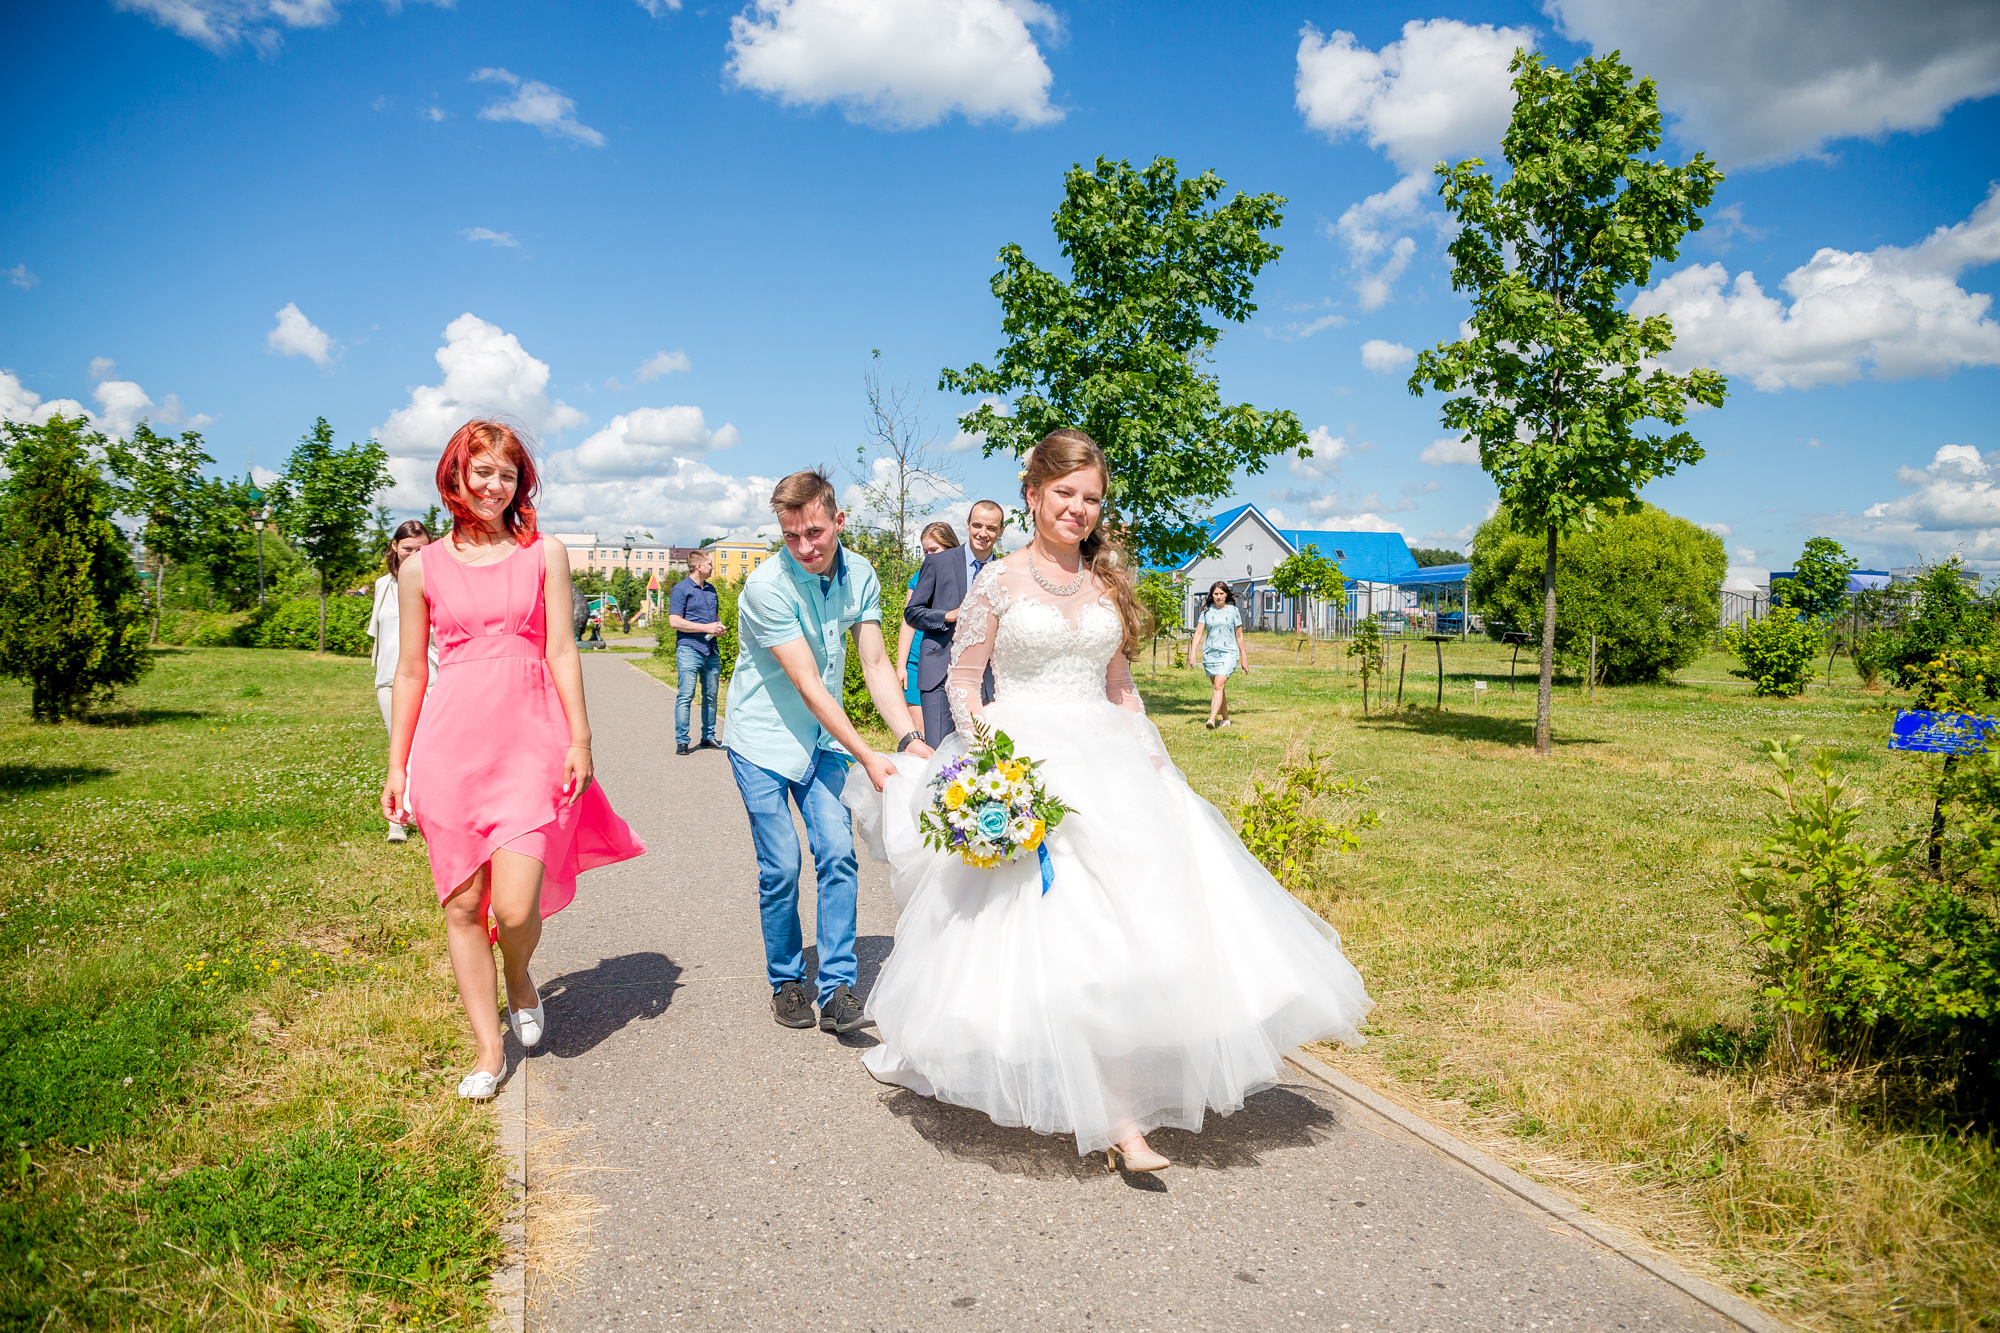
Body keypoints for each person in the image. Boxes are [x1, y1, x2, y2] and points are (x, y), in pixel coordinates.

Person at [844, 429, 1373, 1173]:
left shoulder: (1104, 586)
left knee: (1130, 934)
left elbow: (1119, 683)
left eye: (1091, 498)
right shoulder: (997, 583)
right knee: (1052, 935)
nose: (1079, 510)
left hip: (1110, 763)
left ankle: (1120, 1111)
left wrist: (1154, 759)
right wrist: (995, 761)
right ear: (1033, 494)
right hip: (1022, 758)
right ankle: (1113, 1116)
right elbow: (965, 681)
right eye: (1065, 494)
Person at [381, 418, 646, 1101]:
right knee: (463, 902)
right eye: (482, 471)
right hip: (449, 748)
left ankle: (519, 974)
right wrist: (397, 765)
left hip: (531, 740)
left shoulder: (544, 554)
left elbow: (562, 648)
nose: (494, 484)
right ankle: (487, 1048)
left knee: (516, 902)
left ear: (517, 480)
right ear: (456, 476)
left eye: (506, 473)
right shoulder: (421, 568)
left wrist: (580, 737)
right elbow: (411, 671)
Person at [722, 469, 932, 1035]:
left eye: (814, 532)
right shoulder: (767, 587)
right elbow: (811, 686)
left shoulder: (860, 573)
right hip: (763, 740)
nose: (804, 547)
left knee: (838, 852)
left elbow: (875, 664)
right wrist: (868, 755)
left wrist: (908, 737)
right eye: (791, 536)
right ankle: (787, 981)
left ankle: (837, 986)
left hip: (820, 743)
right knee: (783, 864)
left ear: (838, 521)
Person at [904, 499, 1005, 744]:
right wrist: (947, 615)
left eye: (991, 528)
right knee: (938, 753)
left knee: (980, 752)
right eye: (977, 525)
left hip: (986, 679)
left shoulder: (1005, 570)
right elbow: (912, 613)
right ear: (968, 525)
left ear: (1001, 531)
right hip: (938, 673)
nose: (983, 533)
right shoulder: (938, 562)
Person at [367, 520, 438, 843]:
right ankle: (398, 819)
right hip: (389, 679)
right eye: (408, 548)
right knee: (400, 747)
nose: (414, 555)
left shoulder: (436, 583)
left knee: (427, 749)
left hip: (432, 678)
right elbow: (378, 632)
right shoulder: (384, 586)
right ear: (395, 547)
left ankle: (425, 814)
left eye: (421, 549)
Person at [896, 522, 959, 714]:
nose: (929, 557)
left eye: (934, 550)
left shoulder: (963, 576)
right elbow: (908, 623)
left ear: (951, 547)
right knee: (921, 735)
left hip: (952, 662)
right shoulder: (919, 577)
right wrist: (901, 666)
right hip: (917, 662)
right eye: (925, 552)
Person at [667, 549, 726, 756]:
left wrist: (718, 626)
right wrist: (706, 628)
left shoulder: (711, 590)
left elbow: (713, 618)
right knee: (686, 694)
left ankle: (708, 736)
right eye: (710, 564)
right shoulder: (681, 589)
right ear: (699, 566)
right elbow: (675, 621)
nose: (713, 568)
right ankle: (682, 741)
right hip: (689, 649)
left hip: (711, 649)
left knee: (711, 696)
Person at [1189, 580, 1250, 729]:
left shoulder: (1233, 611)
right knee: (1218, 687)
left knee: (1218, 684)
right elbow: (1198, 633)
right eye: (1215, 594)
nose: (1218, 596)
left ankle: (1211, 719)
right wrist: (1192, 653)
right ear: (1211, 595)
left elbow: (1239, 635)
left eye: (1221, 593)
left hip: (1228, 652)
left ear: (1226, 594)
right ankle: (1226, 719)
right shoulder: (1206, 612)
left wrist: (1244, 658)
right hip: (1210, 653)